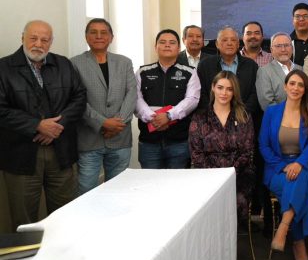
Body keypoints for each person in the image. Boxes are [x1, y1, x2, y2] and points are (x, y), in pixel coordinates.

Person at [0, 20, 86, 229]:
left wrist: (56, 126)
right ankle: (29, 252)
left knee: (65, 213)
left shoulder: (63, 64)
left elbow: (79, 97)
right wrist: (37, 125)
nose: (38, 44)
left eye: (44, 40)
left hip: (61, 151)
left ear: (51, 42)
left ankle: (62, 250)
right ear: (22, 38)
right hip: (21, 154)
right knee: (24, 220)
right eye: (33, 38)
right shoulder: (3, 68)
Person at [259, 70, 308, 260]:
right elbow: (263, 145)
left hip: (306, 165)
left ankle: (284, 227)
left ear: (305, 90)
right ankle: (298, 242)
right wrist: (282, 166)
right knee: (296, 186)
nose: (296, 88)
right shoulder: (271, 112)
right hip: (277, 167)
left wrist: (299, 163)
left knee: (299, 178)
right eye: (292, 83)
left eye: (301, 85)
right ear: (285, 86)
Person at [71, 18, 136, 195]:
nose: (98, 36)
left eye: (104, 32)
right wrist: (103, 123)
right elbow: (76, 100)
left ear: (111, 37)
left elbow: (131, 94)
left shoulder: (124, 62)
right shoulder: (74, 63)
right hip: (89, 138)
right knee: (86, 191)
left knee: (118, 191)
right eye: (93, 32)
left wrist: (117, 123)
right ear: (86, 37)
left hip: (120, 138)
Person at [189, 71, 255, 220]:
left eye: (229, 89)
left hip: (238, 173)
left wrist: (230, 173)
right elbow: (196, 152)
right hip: (206, 174)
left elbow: (247, 150)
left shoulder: (243, 116)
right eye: (220, 87)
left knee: (237, 200)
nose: (224, 93)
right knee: (207, 203)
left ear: (234, 92)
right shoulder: (200, 117)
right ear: (213, 88)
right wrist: (214, 175)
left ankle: (234, 233)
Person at [135, 29, 199, 168]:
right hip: (149, 142)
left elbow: (192, 99)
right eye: (162, 42)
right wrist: (153, 118)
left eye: (172, 42)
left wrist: (169, 116)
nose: (167, 45)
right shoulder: (143, 72)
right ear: (156, 47)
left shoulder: (190, 72)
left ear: (179, 48)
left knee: (177, 180)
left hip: (178, 142)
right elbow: (136, 98)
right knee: (149, 180)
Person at [196, 26, 259, 114]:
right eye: (224, 40)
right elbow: (201, 93)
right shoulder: (205, 65)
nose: (229, 43)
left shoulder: (251, 65)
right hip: (211, 116)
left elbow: (255, 94)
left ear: (238, 44)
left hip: (244, 116)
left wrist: (241, 113)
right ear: (217, 44)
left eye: (233, 40)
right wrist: (214, 114)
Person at [256, 32, 301, 111]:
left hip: (302, 116)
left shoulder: (301, 69)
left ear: (292, 48)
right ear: (271, 50)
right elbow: (267, 102)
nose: (283, 49)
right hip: (278, 117)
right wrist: (288, 115)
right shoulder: (264, 71)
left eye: (286, 45)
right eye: (278, 46)